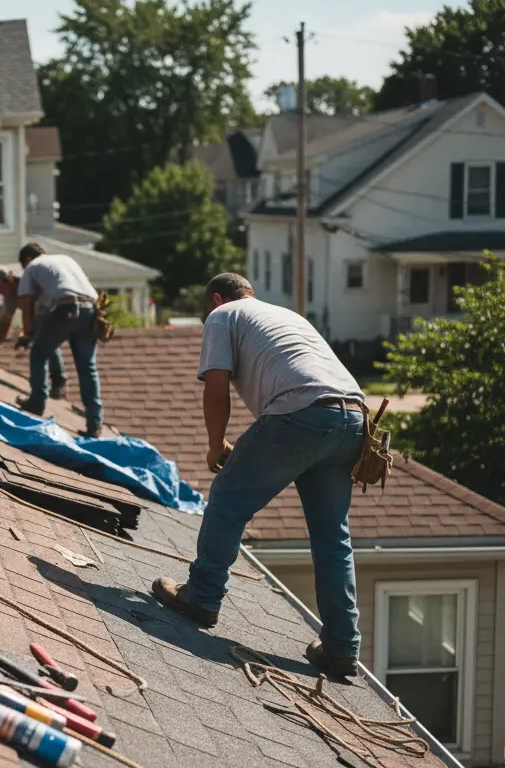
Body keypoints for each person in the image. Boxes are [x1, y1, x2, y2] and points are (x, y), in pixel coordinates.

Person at [152, 273, 367, 677]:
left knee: (229, 497)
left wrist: (217, 446)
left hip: (302, 412)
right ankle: (341, 645)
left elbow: (215, 389)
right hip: (354, 420)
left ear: (217, 298)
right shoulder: (286, 316)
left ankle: (202, 597)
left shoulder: (223, 315)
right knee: (332, 535)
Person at [14, 243, 104, 439]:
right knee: (87, 367)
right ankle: (95, 424)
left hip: (65, 309)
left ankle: (37, 403)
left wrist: (28, 333)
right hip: (90, 310)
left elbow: (26, 305)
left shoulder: (32, 267)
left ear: (27, 259)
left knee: (38, 353)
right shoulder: (65, 260)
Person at [0, 267, 67, 400]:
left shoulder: (27, 284)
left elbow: (33, 314)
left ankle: (59, 383)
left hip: (56, 307)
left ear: (9, 281)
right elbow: (6, 321)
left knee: (46, 340)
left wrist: (27, 335)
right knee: (39, 342)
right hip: (38, 314)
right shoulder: (9, 296)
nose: (1, 293)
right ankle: (42, 386)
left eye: (1, 288)